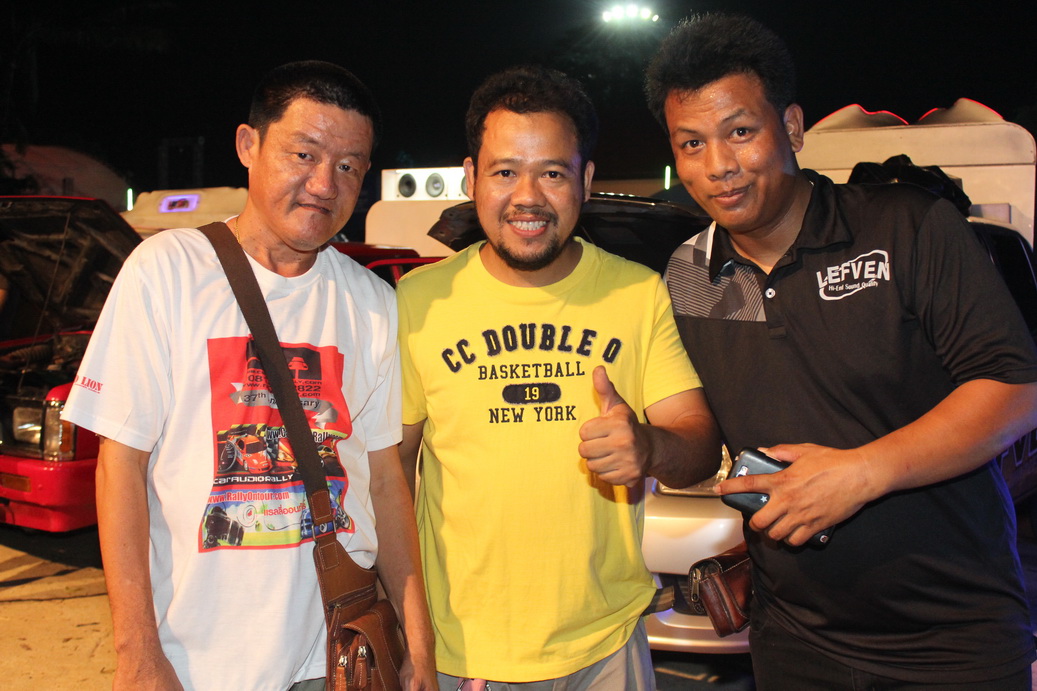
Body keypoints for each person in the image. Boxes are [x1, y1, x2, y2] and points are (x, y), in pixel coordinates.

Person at [645, 13, 1037, 690]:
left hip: (955, 637)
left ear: (792, 127)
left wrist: (861, 472)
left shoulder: (905, 228)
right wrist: (646, 443)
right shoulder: (686, 276)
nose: (718, 166)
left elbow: (1014, 386)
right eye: (692, 143)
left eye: (740, 132)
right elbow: (697, 435)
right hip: (794, 641)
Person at [62, 61, 435, 691]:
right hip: (197, 662)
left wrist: (418, 642)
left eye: (349, 166)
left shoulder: (372, 302)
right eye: (304, 154)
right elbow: (119, 466)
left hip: (336, 654)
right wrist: (138, 652)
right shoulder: (167, 271)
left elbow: (384, 482)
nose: (325, 184)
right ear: (248, 145)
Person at [396, 65, 720, 690]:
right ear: (470, 177)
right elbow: (392, 476)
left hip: (608, 647)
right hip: (468, 656)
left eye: (552, 173)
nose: (528, 197)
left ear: (585, 180)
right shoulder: (419, 301)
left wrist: (650, 445)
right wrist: (411, 633)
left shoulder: (636, 293)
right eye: (504, 172)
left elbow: (700, 443)